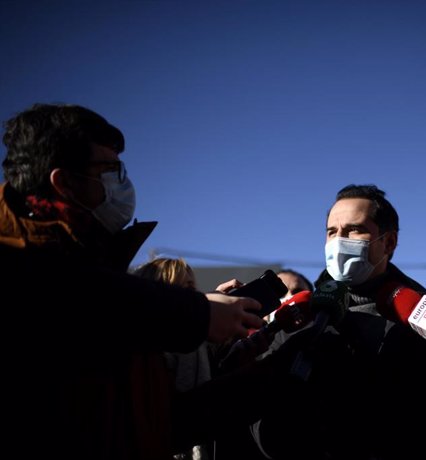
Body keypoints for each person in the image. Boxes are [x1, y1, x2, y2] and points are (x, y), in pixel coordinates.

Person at [0, 103, 269, 460]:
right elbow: (72, 291)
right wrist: (198, 313)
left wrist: (277, 373)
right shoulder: (29, 267)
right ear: (64, 182)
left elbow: (156, 426)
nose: (122, 183)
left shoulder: (102, 277)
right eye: (109, 170)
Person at [251, 184, 426, 460]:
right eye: (331, 232)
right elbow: (260, 408)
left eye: (353, 230)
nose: (339, 241)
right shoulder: (301, 315)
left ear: (389, 242)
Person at [132, 257, 214, 460]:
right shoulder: (179, 343)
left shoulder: (202, 343)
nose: (194, 296)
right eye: (184, 288)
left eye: (193, 287)